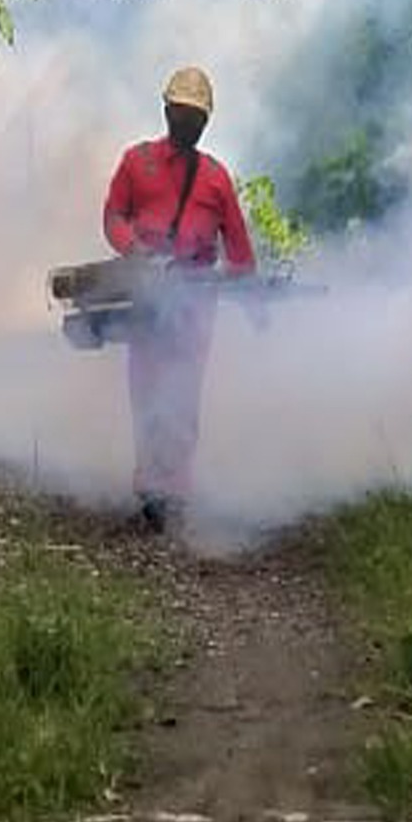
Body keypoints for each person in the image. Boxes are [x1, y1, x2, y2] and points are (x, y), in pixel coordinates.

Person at [103, 67, 256, 534]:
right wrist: (135, 250)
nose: (188, 123)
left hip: (194, 302)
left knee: (184, 391)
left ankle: (176, 488)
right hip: (147, 294)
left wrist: (248, 292)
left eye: (196, 117)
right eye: (181, 113)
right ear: (167, 111)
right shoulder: (136, 162)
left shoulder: (216, 178)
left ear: (206, 122)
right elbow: (113, 215)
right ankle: (151, 486)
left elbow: (240, 252)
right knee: (146, 387)